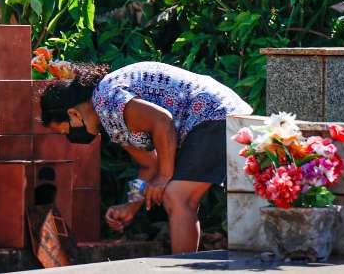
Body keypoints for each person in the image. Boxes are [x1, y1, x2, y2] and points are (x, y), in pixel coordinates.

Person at [40, 61, 252, 253]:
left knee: (177, 197)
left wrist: (165, 175)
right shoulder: (111, 121)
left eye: (64, 131)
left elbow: (162, 121)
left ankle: (182, 269)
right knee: (179, 198)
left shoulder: (106, 99)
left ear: (73, 114)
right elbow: (148, 166)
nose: (69, 137)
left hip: (214, 114)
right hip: (212, 118)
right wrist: (131, 206)